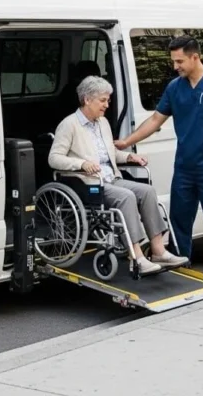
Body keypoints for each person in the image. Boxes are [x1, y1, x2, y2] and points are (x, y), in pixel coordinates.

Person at [114, 36, 203, 288]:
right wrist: (126, 141)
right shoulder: (175, 87)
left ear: (195, 57)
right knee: (178, 225)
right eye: (174, 61)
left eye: (180, 61)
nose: (176, 66)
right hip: (184, 168)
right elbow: (155, 120)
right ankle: (181, 273)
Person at [49, 76, 189, 275]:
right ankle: (138, 257)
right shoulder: (69, 125)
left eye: (108, 100)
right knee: (127, 197)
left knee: (147, 191)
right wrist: (81, 163)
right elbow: (54, 158)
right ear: (87, 99)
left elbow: (110, 154)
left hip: (111, 178)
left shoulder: (102, 122)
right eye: (103, 100)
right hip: (88, 184)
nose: (107, 105)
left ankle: (158, 251)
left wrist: (130, 156)